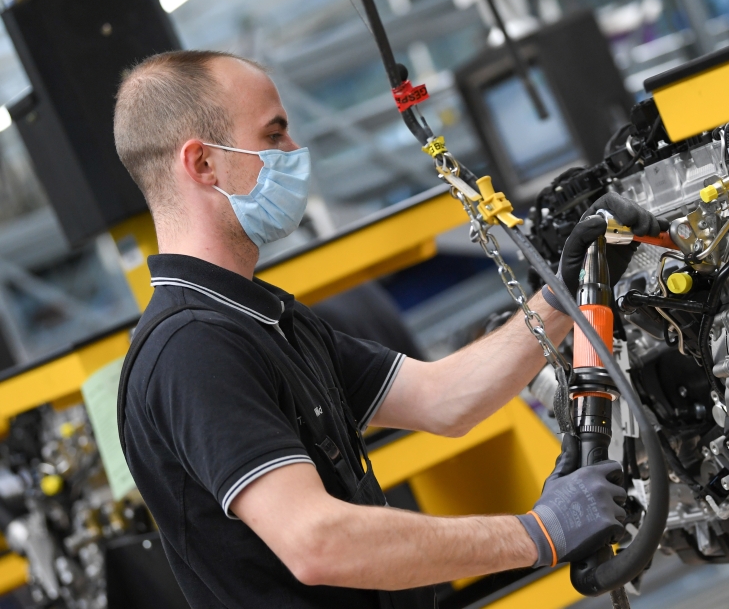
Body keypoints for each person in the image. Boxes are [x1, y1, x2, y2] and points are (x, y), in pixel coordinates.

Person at [113, 50, 662, 609]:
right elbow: (317, 542)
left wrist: (561, 298)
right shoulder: (193, 347)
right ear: (203, 164)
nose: (294, 153)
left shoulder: (269, 319)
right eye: (274, 135)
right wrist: (539, 534)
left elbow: (441, 399)